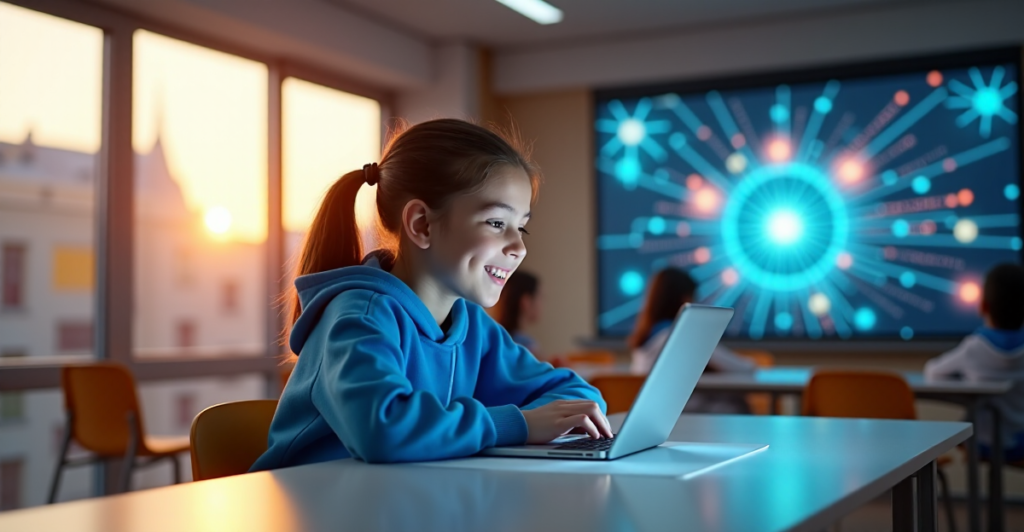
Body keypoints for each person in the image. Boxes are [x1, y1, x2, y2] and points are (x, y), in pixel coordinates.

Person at [251, 119, 611, 469]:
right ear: (422, 224)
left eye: (522, 229)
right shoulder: (359, 317)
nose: (518, 247)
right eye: (497, 223)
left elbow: (577, 395)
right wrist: (520, 424)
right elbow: (383, 428)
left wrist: (549, 416)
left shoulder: (470, 325)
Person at [924, 263, 1024, 461]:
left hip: (983, 442)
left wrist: (964, 378)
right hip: (1021, 441)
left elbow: (932, 372)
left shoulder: (974, 347)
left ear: (983, 306)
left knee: (964, 430)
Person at [629, 267, 755, 414]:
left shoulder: (645, 338)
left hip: (654, 415)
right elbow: (744, 369)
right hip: (686, 417)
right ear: (685, 299)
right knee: (735, 404)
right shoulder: (683, 335)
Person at [491, 270, 542, 355]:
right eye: (540, 297)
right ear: (526, 301)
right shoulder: (527, 347)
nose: (541, 304)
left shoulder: (493, 337)